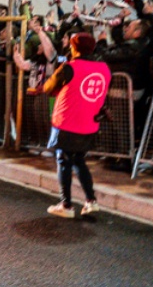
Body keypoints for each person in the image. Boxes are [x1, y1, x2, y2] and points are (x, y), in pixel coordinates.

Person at [28, 31, 110, 218]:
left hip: (67, 122)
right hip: (89, 123)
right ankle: (91, 201)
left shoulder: (69, 67)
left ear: (74, 48)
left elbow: (49, 87)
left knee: (64, 161)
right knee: (79, 160)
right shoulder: (104, 68)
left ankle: (66, 205)